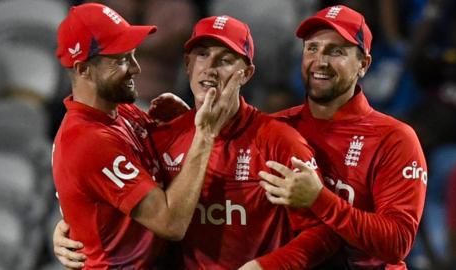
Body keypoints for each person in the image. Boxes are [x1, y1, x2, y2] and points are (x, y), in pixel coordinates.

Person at [52, 15, 342, 269]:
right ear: (187, 65)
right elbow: (95, 188)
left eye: (226, 60)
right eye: (202, 55)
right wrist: (74, 231)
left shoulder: (280, 143)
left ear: (247, 74)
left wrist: (265, 267)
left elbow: (324, 233)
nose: (211, 69)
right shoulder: (162, 137)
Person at [51, 3, 241, 269]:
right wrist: (204, 133)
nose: (136, 69)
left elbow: (175, 172)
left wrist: (182, 125)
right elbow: (171, 223)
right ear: (84, 70)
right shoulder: (88, 140)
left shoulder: (123, 112)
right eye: (121, 60)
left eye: (132, 56)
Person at [258, 5, 428, 269]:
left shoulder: (394, 138)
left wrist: (319, 199)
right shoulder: (275, 127)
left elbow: (397, 242)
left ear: (364, 64)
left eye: (336, 51)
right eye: (312, 48)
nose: (320, 61)